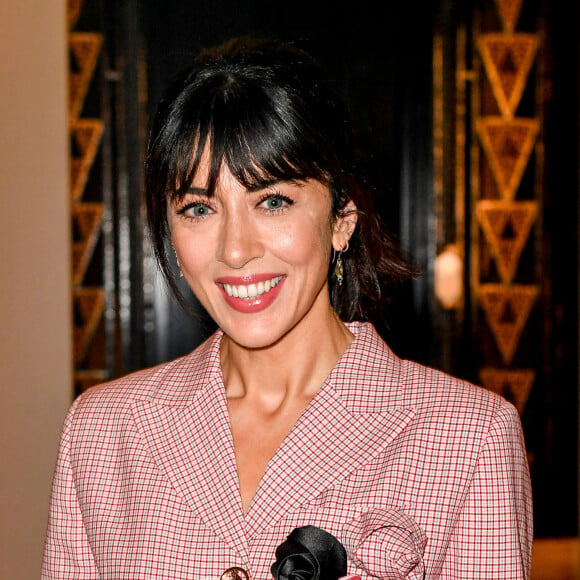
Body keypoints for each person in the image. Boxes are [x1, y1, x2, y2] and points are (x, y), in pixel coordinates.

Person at [42, 36, 533, 579]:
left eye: (272, 201)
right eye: (199, 208)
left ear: (342, 218)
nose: (235, 249)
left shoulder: (468, 437)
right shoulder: (104, 431)